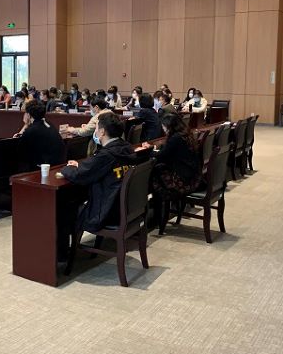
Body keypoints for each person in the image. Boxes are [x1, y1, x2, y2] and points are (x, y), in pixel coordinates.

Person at [59, 112, 138, 257]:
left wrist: (67, 168)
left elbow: (79, 175)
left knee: (63, 208)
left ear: (101, 132)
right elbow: (92, 167)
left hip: (106, 212)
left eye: (96, 128)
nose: (95, 132)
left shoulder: (106, 155)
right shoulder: (127, 148)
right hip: (126, 208)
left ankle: (63, 256)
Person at [145, 113, 201, 196]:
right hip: (193, 177)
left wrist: (148, 151)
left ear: (169, 127)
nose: (163, 129)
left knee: (155, 169)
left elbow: (162, 156)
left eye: (163, 126)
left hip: (183, 181)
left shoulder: (175, 138)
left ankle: (158, 200)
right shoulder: (185, 134)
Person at [15, 100, 66, 168]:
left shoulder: (32, 130)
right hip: (59, 163)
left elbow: (20, 151)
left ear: (29, 115)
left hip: (46, 167)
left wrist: (26, 124)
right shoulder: (49, 124)